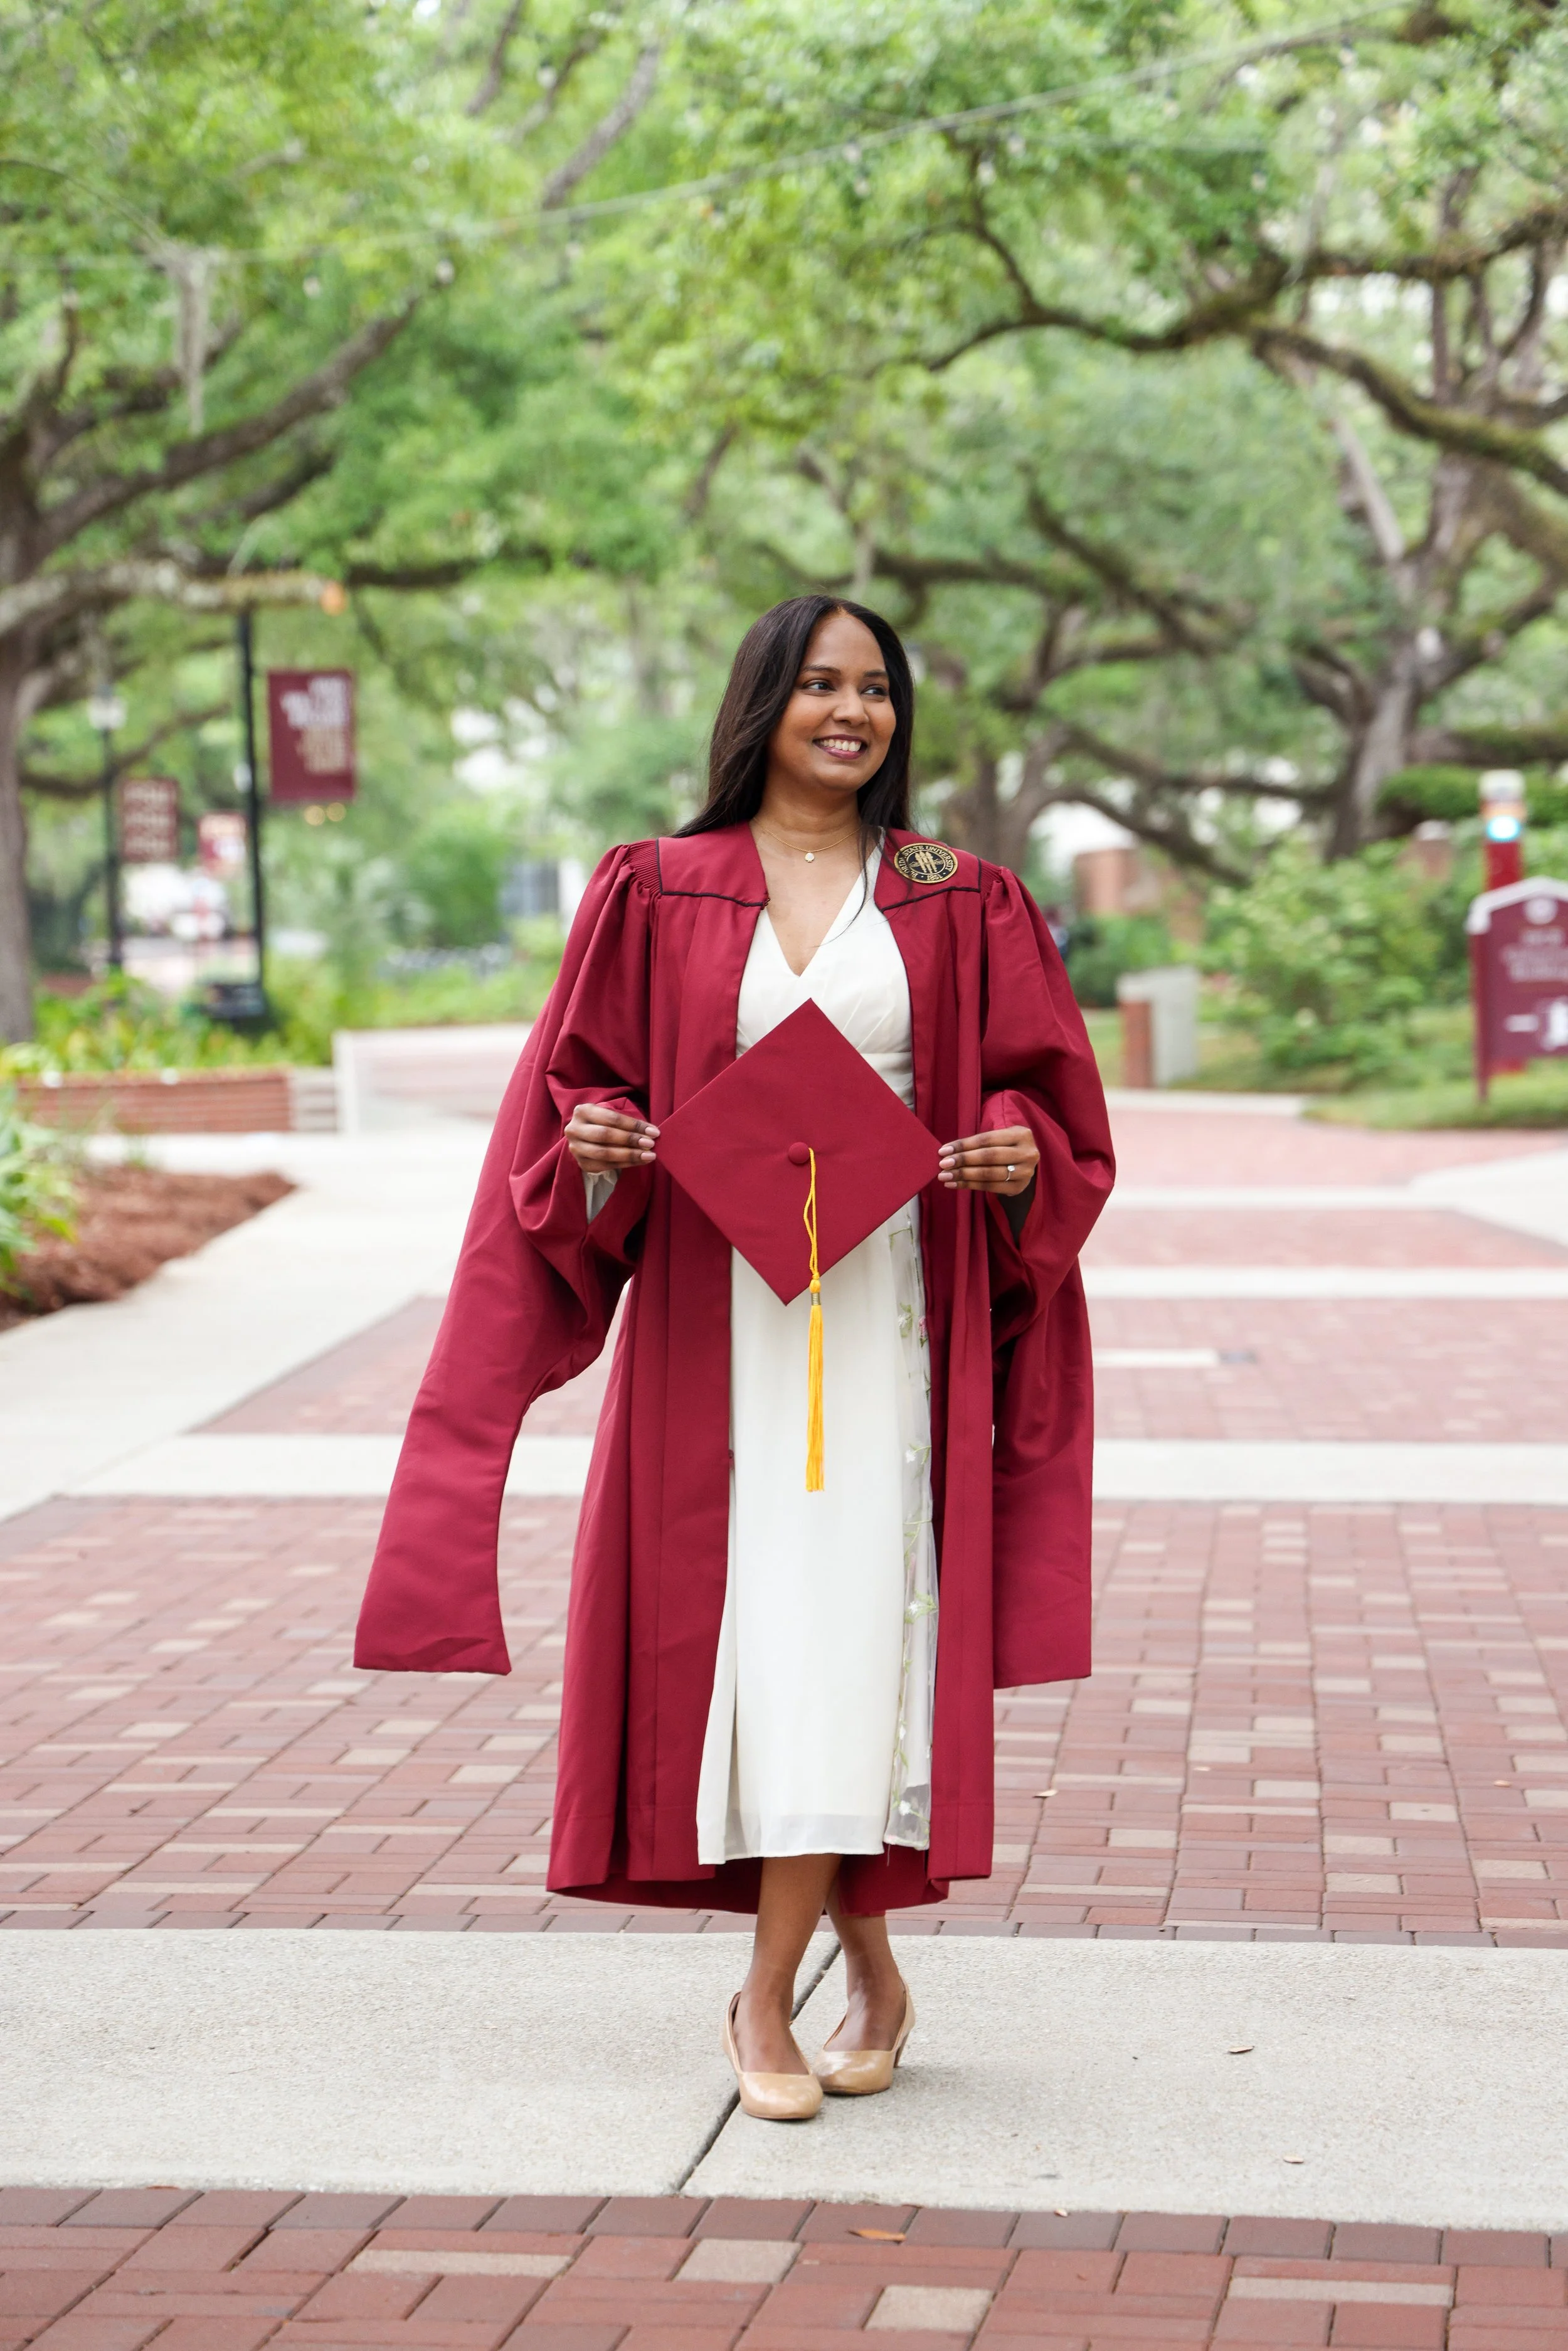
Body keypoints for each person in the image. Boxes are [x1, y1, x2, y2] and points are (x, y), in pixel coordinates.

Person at [355, 594, 1114, 2121]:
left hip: (892, 1319)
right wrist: (602, 1143)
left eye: (878, 689)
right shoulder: (656, 889)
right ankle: (858, 1963)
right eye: (821, 684)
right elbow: (574, 1113)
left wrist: (1006, 1154)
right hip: (725, 1333)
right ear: (760, 699)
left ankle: (768, 1991)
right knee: (767, 1636)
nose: (854, 711)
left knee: (852, 1631)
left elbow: (1058, 1115)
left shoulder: (961, 895)